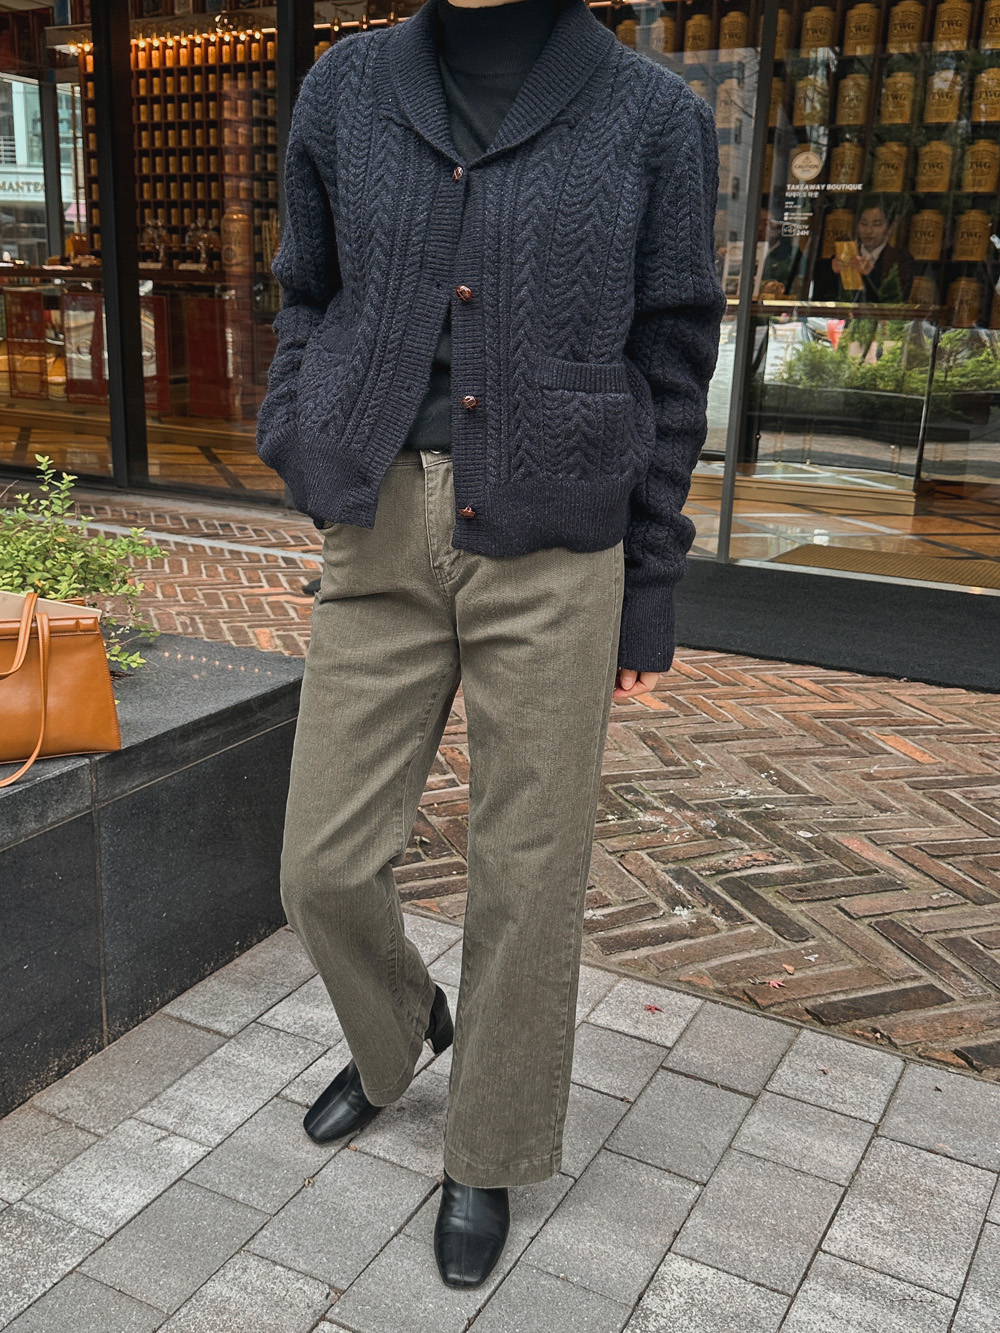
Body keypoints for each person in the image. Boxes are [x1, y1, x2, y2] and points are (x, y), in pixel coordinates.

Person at [256, 0, 727, 1290]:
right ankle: (401, 1028)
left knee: (528, 870)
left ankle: (489, 1146)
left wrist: (648, 582)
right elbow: (307, 288)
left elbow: (672, 357)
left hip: (555, 544)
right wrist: (300, 427)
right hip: (377, 528)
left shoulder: (650, 116)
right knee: (319, 864)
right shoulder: (346, 85)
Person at [812, 198, 913, 304]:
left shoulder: (901, 259)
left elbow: (897, 299)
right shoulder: (844, 254)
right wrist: (831, 272)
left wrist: (871, 274)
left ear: (890, 228)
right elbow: (819, 298)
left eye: (877, 224)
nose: (868, 231)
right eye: (864, 224)